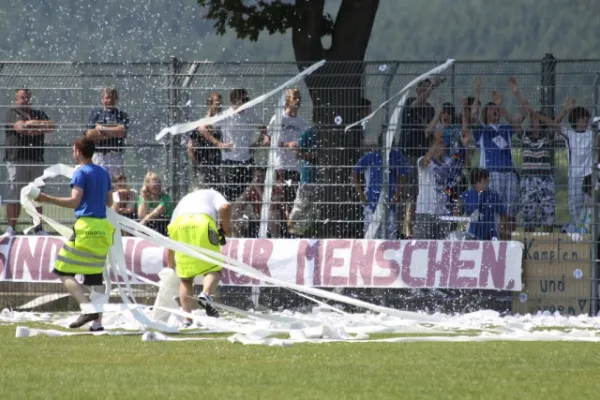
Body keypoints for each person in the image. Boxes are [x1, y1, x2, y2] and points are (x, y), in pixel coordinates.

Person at [33, 137, 114, 331]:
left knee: (62, 271)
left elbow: (74, 202)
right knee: (95, 277)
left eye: (73, 149)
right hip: (103, 228)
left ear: (78, 151)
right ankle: (97, 324)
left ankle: (86, 308)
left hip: (85, 227)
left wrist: (46, 198)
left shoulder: (81, 173)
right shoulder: (103, 172)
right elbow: (109, 202)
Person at [166, 185, 232, 327]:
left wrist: (170, 262)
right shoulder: (213, 193)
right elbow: (225, 207)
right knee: (213, 268)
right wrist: (226, 228)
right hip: (202, 223)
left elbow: (171, 236)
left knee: (185, 279)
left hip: (180, 226)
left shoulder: (185, 199)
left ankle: (187, 320)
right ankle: (206, 294)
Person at [3, 88, 56, 236]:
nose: (25, 100)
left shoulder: (38, 113)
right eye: (22, 98)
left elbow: (51, 126)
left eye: (27, 97)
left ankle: (38, 228)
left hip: (36, 159)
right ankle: (11, 228)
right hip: (16, 159)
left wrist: (32, 124)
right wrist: (37, 127)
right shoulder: (10, 113)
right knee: (14, 193)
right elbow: (20, 128)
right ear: (16, 99)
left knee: (37, 194)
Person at [85, 86, 129, 177]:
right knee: (97, 180)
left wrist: (101, 129)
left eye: (111, 98)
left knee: (116, 182)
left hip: (116, 155)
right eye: (106, 98)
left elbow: (121, 132)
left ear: (116, 99)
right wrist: (113, 132)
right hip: (99, 154)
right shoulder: (95, 113)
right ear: (102, 99)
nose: (109, 100)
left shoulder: (121, 115)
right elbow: (89, 135)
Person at [459, 168, 509, 240]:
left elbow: (503, 213)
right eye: (485, 179)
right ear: (476, 182)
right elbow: (458, 213)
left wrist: (502, 228)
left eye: (488, 178)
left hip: (490, 236)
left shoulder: (493, 195)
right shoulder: (466, 195)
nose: (488, 181)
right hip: (471, 235)